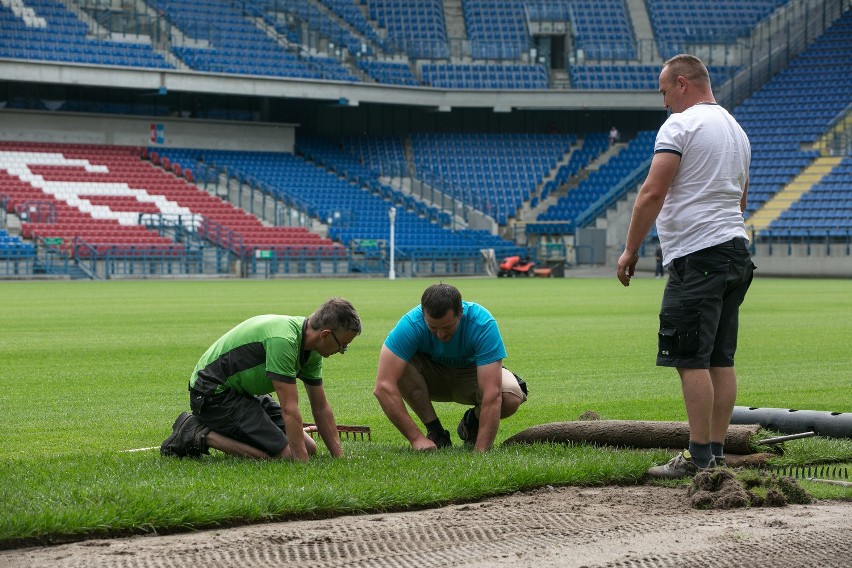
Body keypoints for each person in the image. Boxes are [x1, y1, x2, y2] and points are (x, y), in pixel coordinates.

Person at [616, 54, 755, 478]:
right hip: (734, 251)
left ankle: (697, 458)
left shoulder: (681, 125)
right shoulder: (736, 129)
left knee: (689, 359)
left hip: (698, 256)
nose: (663, 104)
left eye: (663, 92)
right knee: (719, 358)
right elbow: (742, 200)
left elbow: (652, 193)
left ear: (681, 83)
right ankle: (714, 455)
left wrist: (630, 250)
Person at [161, 298, 362, 462]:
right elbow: (289, 408)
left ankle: (219, 429)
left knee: (310, 448)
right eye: (343, 345)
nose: (341, 351)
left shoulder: (312, 348)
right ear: (326, 335)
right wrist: (300, 464)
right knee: (288, 456)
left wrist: (339, 458)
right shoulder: (284, 340)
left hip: (241, 393)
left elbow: (320, 407)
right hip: (212, 395)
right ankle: (198, 432)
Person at [373, 283, 527, 452]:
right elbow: (383, 386)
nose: (440, 335)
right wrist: (416, 439)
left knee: (510, 396)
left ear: (460, 313)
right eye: (433, 327)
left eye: (447, 327)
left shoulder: (482, 323)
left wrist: (480, 452)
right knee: (397, 367)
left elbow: (492, 394)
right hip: (429, 379)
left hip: (470, 374)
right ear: (423, 315)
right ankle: (436, 432)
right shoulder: (411, 323)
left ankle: (472, 422)